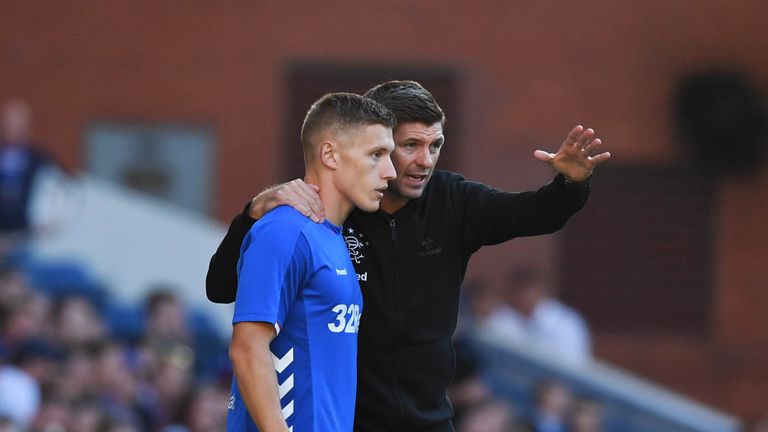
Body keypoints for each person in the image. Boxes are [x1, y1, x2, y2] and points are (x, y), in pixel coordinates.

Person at [207, 80, 610, 431]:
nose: (425, 161)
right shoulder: (317, 217)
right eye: (409, 146)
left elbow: (536, 213)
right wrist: (253, 212)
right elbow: (225, 291)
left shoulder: (454, 201)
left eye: (435, 146)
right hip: (346, 419)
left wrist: (570, 185)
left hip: (428, 420)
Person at [226, 92, 396, 431]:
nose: (390, 171)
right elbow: (247, 347)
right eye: (376, 155)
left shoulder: (331, 238)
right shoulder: (284, 231)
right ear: (330, 154)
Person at [479, 266, 592, 364]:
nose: (520, 297)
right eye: (515, 291)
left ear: (539, 291)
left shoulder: (566, 323)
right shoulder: (502, 317)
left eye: (525, 290)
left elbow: (573, 366)